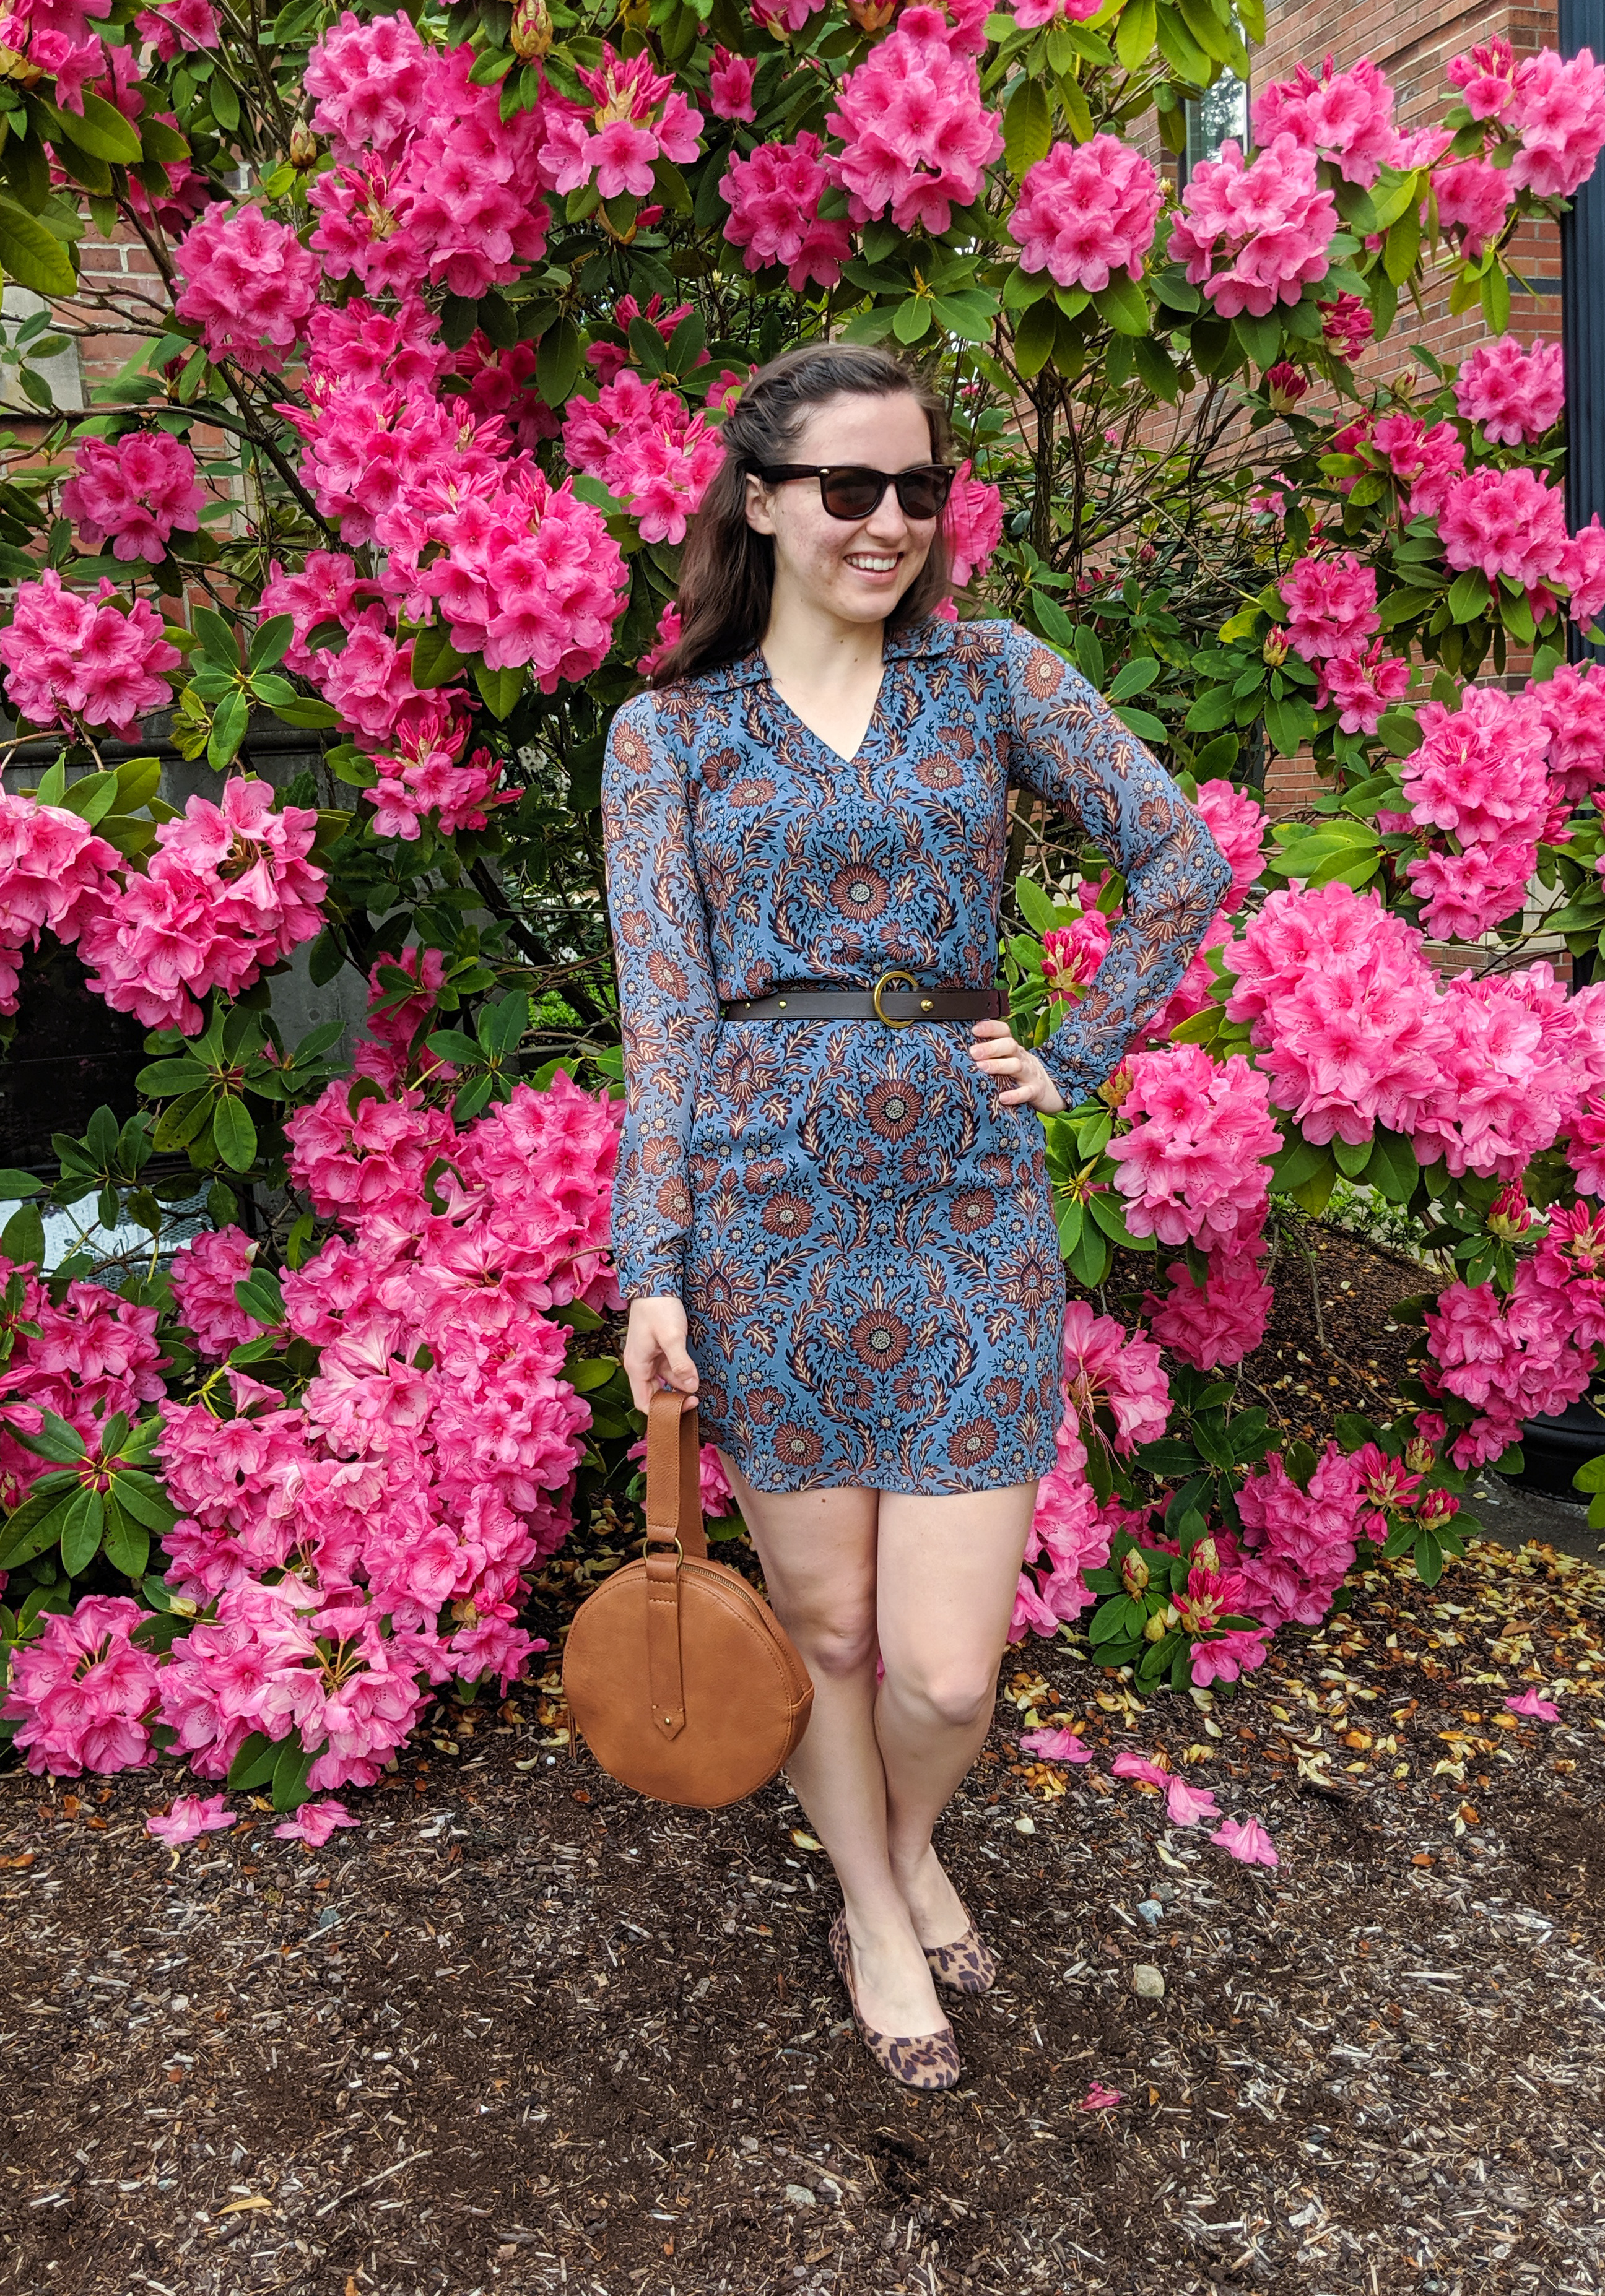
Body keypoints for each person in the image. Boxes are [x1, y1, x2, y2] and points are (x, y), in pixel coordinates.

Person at [601, 342, 1229, 2090]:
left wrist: (1081, 1050)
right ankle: (880, 1897)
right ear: (762, 501)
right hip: (760, 1207)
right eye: (850, 489)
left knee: (946, 1673)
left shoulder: (993, 678)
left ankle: (905, 1832)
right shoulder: (668, 735)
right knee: (825, 1635)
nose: (891, 522)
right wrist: (649, 1263)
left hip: (963, 1197)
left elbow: (1180, 858)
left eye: (919, 489)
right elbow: (663, 1014)